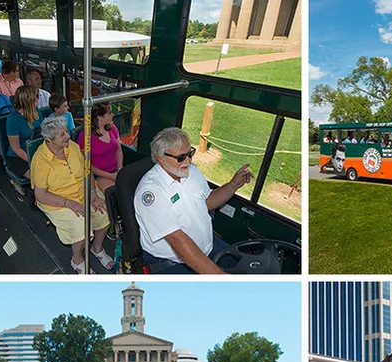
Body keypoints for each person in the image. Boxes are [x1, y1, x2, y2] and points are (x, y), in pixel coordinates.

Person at [134, 127, 255, 274]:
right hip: (172, 261)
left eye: (190, 153)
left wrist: (232, 185)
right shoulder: (151, 192)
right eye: (181, 157)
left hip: (208, 247)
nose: (188, 160)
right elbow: (176, 239)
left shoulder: (192, 172)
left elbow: (207, 202)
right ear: (161, 158)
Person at [31, 116, 114, 273]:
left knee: (105, 213)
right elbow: (40, 195)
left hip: (84, 192)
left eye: (66, 132)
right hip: (58, 200)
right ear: (49, 140)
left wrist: (93, 193)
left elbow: (87, 171)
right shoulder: (40, 161)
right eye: (62, 135)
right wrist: (68, 203)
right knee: (81, 228)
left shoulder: (73, 148)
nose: (68, 136)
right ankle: (77, 259)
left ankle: (97, 248)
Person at [4, 86, 42, 182]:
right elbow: (16, 148)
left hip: (38, 152)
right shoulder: (12, 119)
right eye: (36, 96)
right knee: (40, 178)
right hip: (19, 157)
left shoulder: (37, 112)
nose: (38, 98)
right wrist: (32, 161)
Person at [84, 102, 124, 193]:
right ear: (99, 117)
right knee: (115, 192)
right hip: (99, 176)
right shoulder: (86, 136)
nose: (112, 115)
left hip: (116, 171)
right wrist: (110, 176)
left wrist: (120, 167)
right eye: (109, 113)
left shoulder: (113, 128)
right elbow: (87, 165)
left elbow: (119, 151)